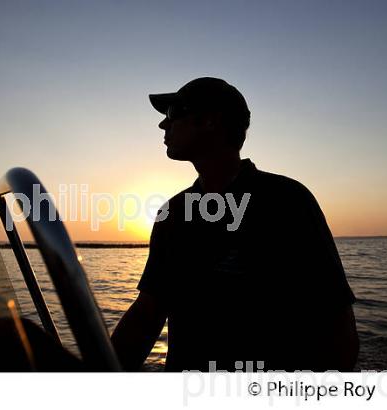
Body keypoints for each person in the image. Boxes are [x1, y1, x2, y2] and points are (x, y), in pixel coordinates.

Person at [111, 77, 359, 372]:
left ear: (209, 122)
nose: (163, 126)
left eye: (172, 114)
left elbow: (335, 322)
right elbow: (148, 313)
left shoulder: (287, 201)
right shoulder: (174, 213)